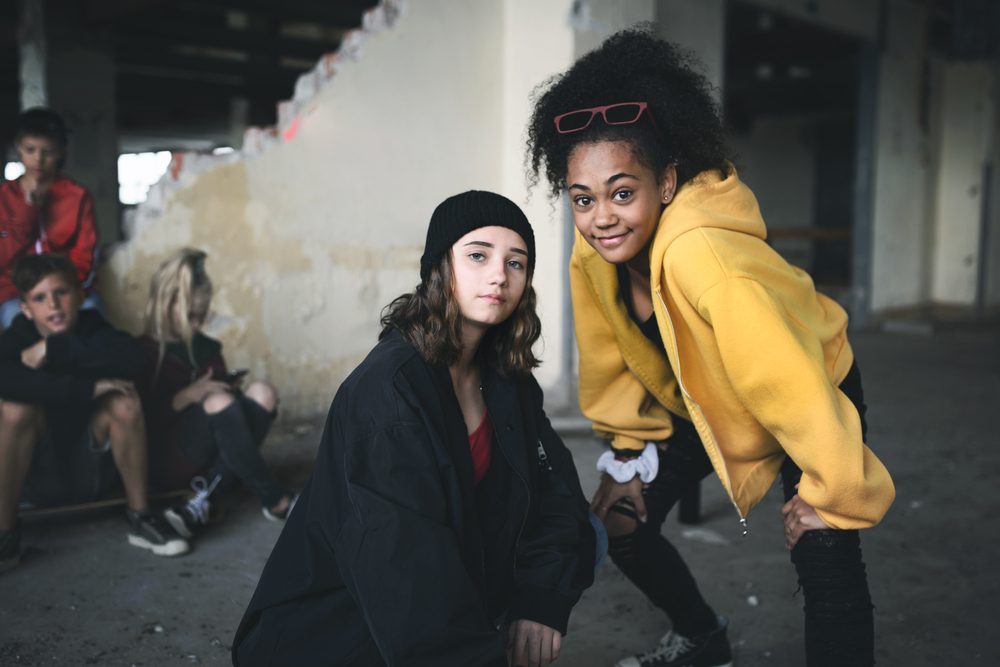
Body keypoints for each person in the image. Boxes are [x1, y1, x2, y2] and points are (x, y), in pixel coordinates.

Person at [525, 27, 895, 667]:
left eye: (622, 192)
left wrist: (831, 491)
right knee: (619, 523)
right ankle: (703, 635)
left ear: (666, 182)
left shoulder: (705, 259)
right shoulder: (593, 252)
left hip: (810, 386)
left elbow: (786, 379)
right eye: (582, 198)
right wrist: (623, 453)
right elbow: (609, 359)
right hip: (706, 397)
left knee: (823, 546)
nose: (602, 218)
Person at [233, 191, 599, 667]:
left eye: (516, 262)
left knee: (589, 533)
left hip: (436, 595)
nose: (498, 275)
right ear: (438, 268)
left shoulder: (507, 377)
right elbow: (406, 572)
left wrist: (539, 601)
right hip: (334, 632)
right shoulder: (388, 391)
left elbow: (557, 493)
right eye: (477, 255)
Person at [0, 254, 189, 574]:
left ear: (80, 296)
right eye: (40, 298)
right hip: (35, 476)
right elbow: (6, 379)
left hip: (93, 471)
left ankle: (140, 517)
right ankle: (5, 535)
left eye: (61, 292)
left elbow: (132, 359)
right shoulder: (18, 337)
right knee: (15, 408)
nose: (53, 306)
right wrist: (88, 388)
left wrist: (54, 348)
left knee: (123, 399)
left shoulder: (93, 329)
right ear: (26, 308)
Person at [137, 248, 293, 540]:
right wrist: (187, 396)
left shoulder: (208, 348)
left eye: (203, 315)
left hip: (216, 453)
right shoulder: (143, 352)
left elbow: (226, 417)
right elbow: (139, 425)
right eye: (190, 316)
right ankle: (276, 498)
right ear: (164, 305)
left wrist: (227, 391)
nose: (198, 323)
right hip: (167, 458)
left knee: (263, 393)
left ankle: (202, 501)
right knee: (219, 402)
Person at [1, 108, 100, 330]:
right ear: (18, 146)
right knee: (20, 333)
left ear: (61, 152)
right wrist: (27, 211)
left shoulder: (77, 196)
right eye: (30, 149)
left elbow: (86, 255)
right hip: (16, 294)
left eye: (48, 151)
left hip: (67, 290)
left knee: (96, 327)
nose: (38, 159)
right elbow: (3, 258)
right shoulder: (3, 198)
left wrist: (69, 291)